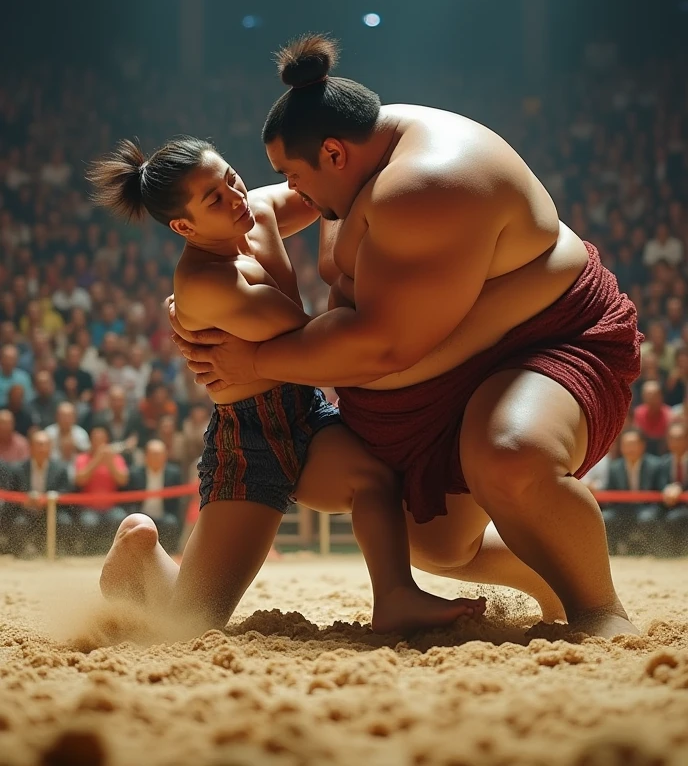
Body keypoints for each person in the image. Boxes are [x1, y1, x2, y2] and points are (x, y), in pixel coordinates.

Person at [169, 35, 642, 638]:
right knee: (436, 541)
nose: (293, 193)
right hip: (436, 387)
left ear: (334, 154)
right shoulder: (356, 170)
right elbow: (225, 236)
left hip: (546, 344)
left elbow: (385, 345)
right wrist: (193, 299)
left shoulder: (426, 183)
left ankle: (599, 610)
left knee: (508, 453)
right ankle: (549, 573)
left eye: (294, 176)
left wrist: (258, 359)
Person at [87, 136, 488, 636]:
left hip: (305, 411)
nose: (236, 197)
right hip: (248, 444)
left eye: (231, 178)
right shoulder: (207, 285)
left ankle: (395, 596)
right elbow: (303, 331)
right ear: (184, 227)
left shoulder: (255, 209)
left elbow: (330, 195)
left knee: (374, 480)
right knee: (190, 623)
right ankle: (138, 557)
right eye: (214, 198)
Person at [10, 431, 73, 557]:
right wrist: (24, 501)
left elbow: (66, 492)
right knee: (18, 523)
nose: (41, 449)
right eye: (38, 445)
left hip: (51, 511)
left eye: (45, 445)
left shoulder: (60, 469)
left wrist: (50, 500)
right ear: (31, 447)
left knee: (64, 521)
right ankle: (22, 551)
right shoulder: (18, 469)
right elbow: (12, 494)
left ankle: (59, 551)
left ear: (50, 448)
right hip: (26, 511)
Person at [600, 430, 661, 555]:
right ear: (621, 447)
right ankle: (612, 553)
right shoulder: (615, 467)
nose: (630, 448)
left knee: (647, 518)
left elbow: (660, 490)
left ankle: (649, 552)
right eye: (626, 445)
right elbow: (609, 492)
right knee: (605, 517)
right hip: (622, 508)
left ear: (642, 445)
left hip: (646, 507)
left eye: (633, 444)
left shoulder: (655, 465)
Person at [74, 425, 129, 552]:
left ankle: (113, 551)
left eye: (101, 439)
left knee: (120, 519)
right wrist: (97, 460)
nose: (98, 443)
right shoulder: (82, 458)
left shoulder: (116, 458)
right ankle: (89, 550)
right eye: (95, 439)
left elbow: (123, 480)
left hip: (111, 508)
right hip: (89, 509)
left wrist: (109, 462)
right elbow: (79, 480)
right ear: (90, 441)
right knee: (89, 523)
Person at [128, 440, 183, 552]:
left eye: (160, 454)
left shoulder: (174, 474)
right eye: (154, 454)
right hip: (141, 514)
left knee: (171, 522)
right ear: (146, 456)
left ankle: (168, 553)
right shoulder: (135, 473)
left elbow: (178, 501)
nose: (157, 458)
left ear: (165, 456)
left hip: (165, 514)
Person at [655, 423, 688, 556]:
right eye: (672, 439)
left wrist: (680, 489)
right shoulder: (664, 462)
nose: (675, 442)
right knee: (649, 517)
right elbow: (660, 484)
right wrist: (667, 489)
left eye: (679, 438)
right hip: (668, 505)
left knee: (674, 519)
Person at [632, 381, 673, 456]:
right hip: (642, 454)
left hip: (665, 454)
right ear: (643, 396)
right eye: (648, 395)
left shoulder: (669, 414)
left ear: (661, 396)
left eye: (654, 395)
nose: (651, 398)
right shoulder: (637, 414)